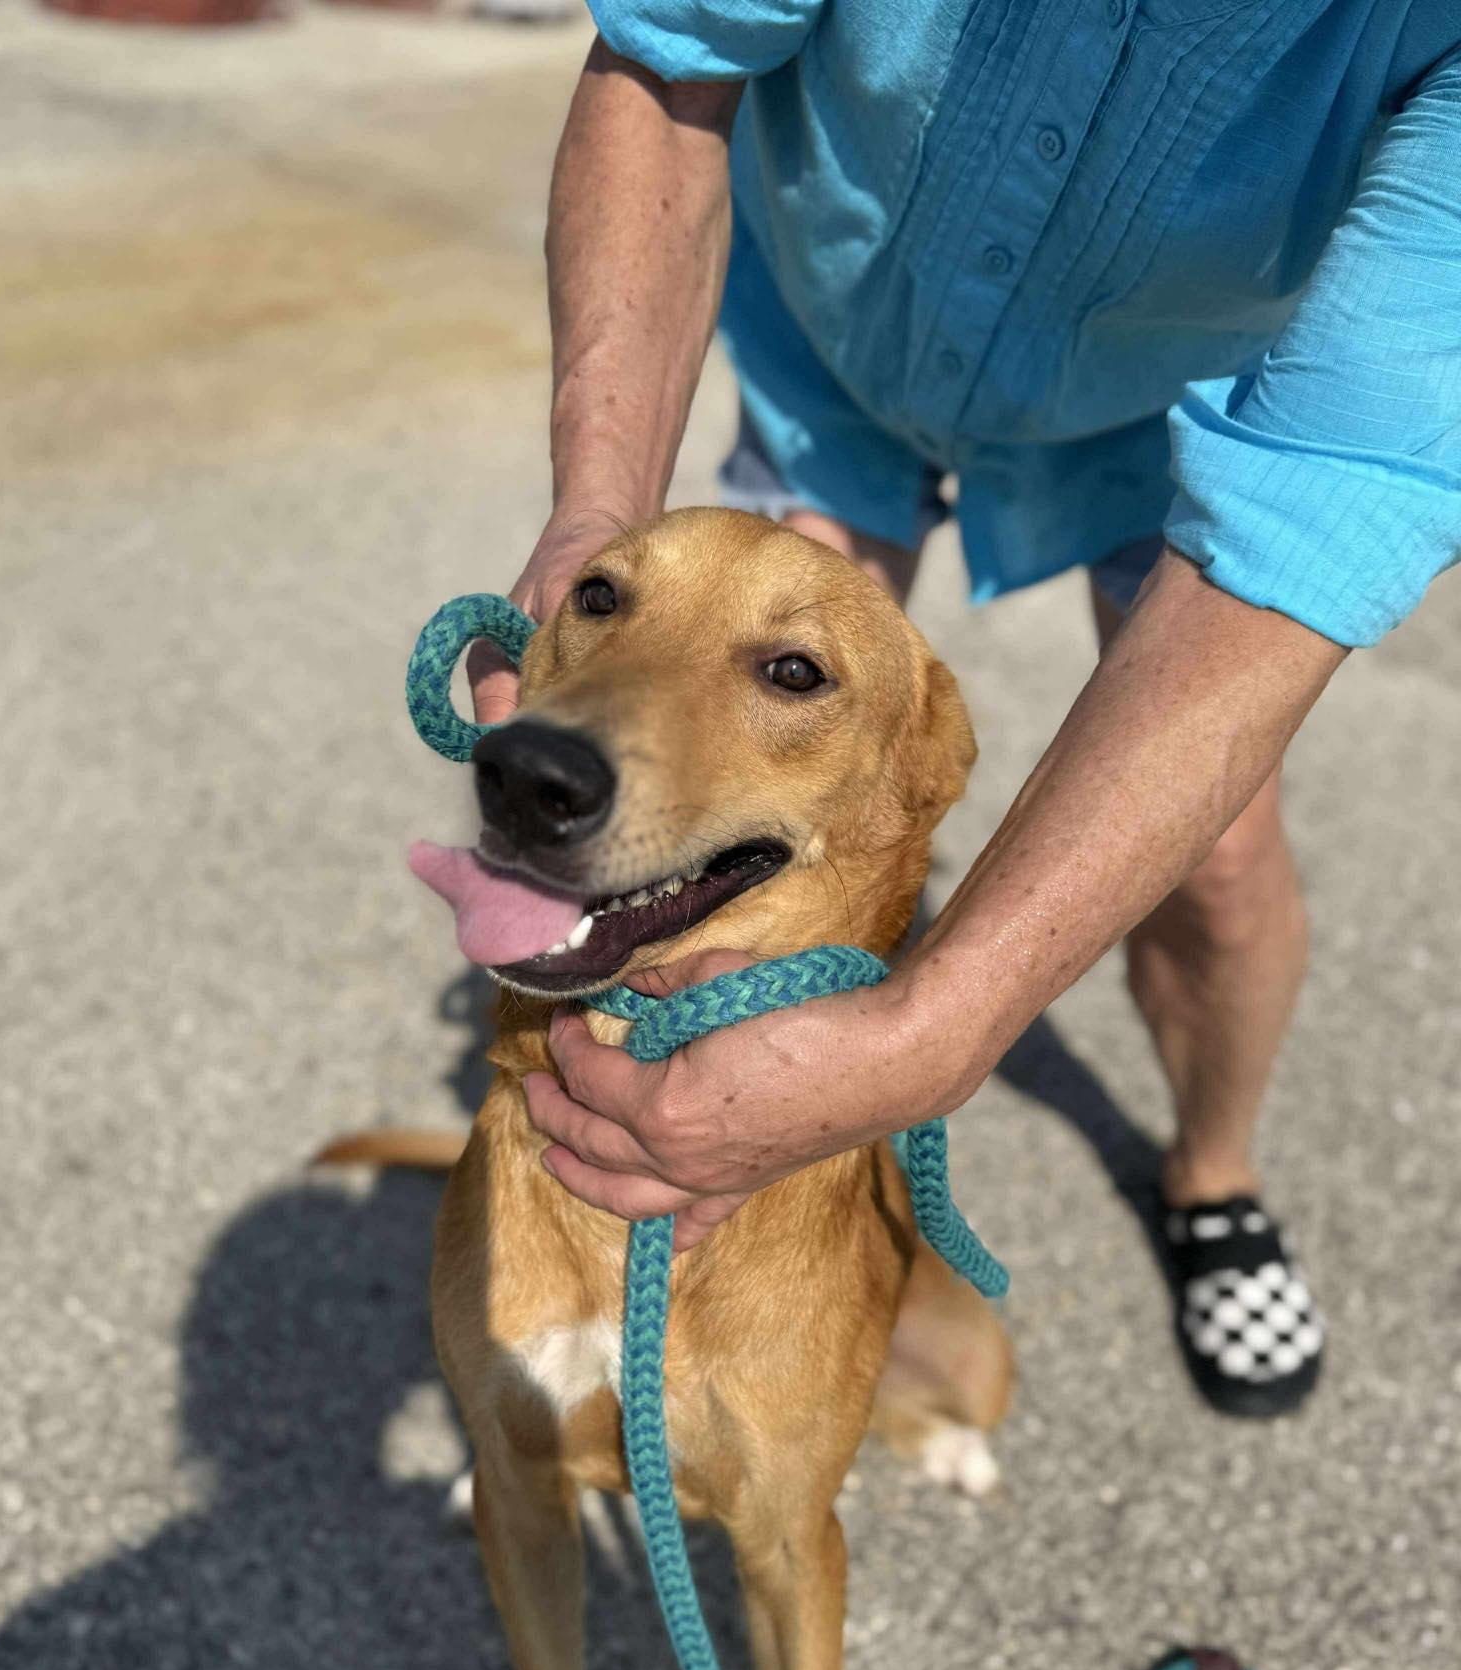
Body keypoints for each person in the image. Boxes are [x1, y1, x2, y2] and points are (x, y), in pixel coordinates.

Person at [470, 3, 1461, 1419]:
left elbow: (1339, 480)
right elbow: (670, 58)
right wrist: (594, 535)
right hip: (843, 359)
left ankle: (1215, 1175)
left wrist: (947, 1026)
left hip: (1180, 409)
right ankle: (673, 1187)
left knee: (1220, 859)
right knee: (698, 812)